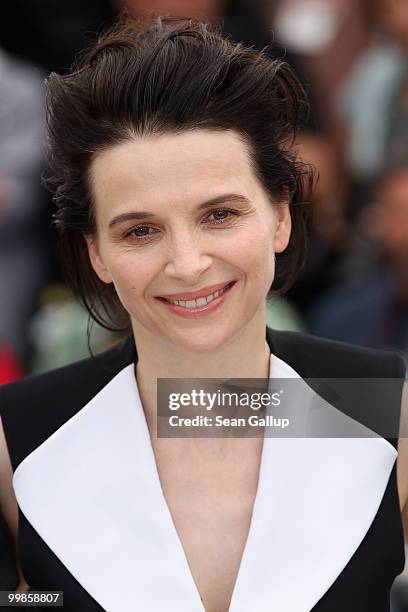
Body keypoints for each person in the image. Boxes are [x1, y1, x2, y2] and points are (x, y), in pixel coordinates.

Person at [0, 15, 407, 612]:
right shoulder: (20, 439)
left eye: (220, 214)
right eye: (141, 230)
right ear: (98, 253)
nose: (187, 264)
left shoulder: (385, 409)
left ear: (280, 216)